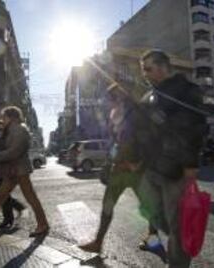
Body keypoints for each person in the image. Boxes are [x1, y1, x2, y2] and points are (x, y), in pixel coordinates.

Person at [137, 50, 207, 268]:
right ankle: (165, 238)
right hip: (151, 167)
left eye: (148, 69)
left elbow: (194, 128)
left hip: (175, 167)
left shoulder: (187, 90)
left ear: (163, 67)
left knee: (177, 225)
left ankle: (177, 263)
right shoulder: (149, 95)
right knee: (153, 214)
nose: (144, 74)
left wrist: (190, 164)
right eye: (143, 70)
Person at [79, 83, 158, 253]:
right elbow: (114, 141)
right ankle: (98, 242)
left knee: (148, 205)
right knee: (107, 204)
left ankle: (153, 238)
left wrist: (138, 162)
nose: (109, 102)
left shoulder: (136, 113)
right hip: (119, 168)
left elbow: (147, 139)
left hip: (136, 169)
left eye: (111, 98)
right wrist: (111, 160)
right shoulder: (114, 113)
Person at [0, 106, 49, 237]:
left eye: (4, 117)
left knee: (30, 197)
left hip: (19, 170)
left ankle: (43, 224)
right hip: (12, 170)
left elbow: (14, 152)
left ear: (12, 117)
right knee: (0, 197)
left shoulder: (20, 130)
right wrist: (0, 133)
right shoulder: (11, 130)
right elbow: (3, 146)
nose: (2, 119)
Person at [0, 119, 26, 229]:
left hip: (8, 169)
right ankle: (16, 209)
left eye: (0, 126)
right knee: (3, 195)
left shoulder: (9, 136)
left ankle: (8, 218)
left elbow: (10, 152)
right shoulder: (2, 136)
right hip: (3, 169)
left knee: (1, 195)